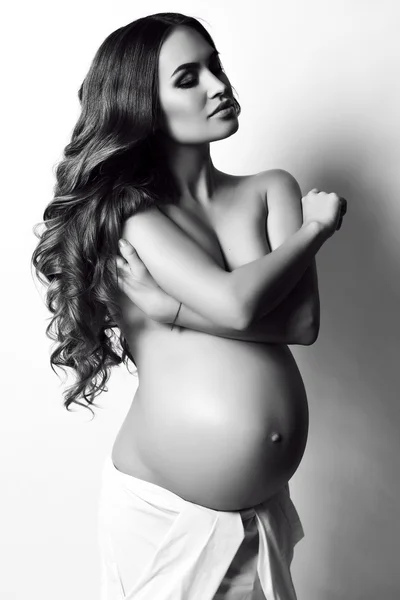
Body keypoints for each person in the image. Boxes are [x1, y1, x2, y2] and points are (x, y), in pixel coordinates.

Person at [31, 11, 347, 600]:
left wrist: (172, 309)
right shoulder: (132, 212)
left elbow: (302, 324)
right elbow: (236, 305)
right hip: (161, 514)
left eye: (215, 65)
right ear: (142, 108)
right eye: (187, 77)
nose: (218, 85)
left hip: (259, 513)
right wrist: (316, 230)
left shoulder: (271, 188)